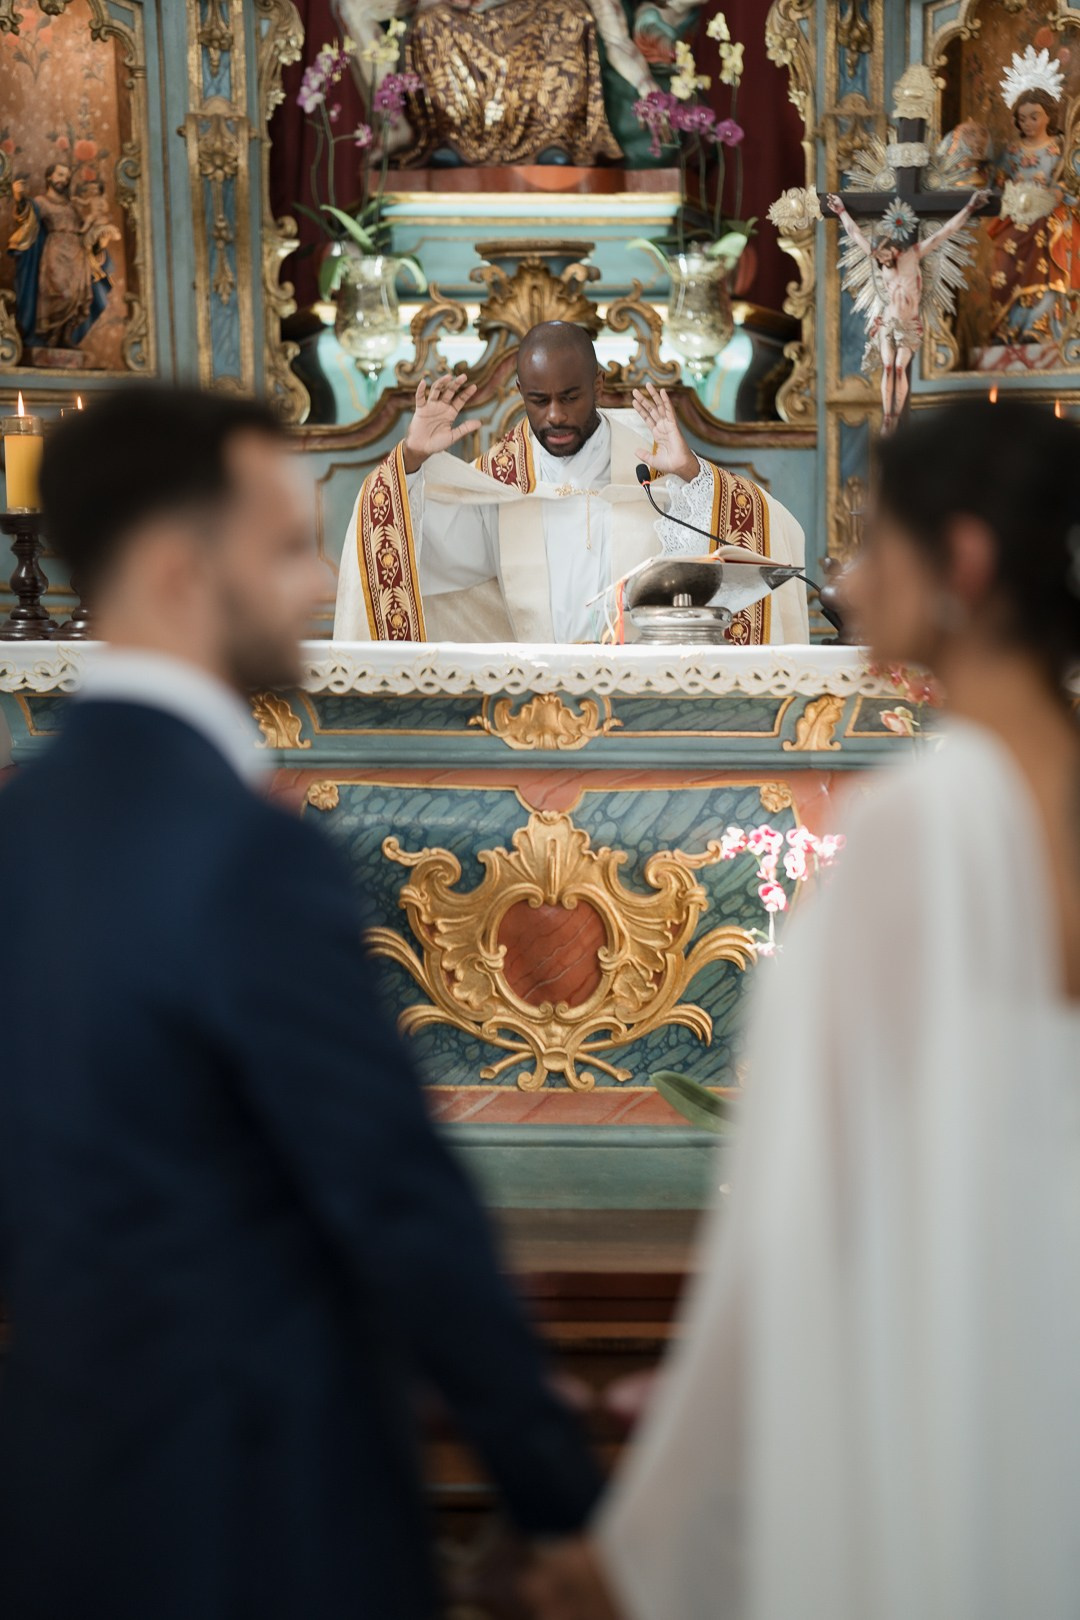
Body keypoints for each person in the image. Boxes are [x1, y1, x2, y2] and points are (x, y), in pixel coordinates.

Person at [0, 385, 602, 1620]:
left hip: (59, 1501)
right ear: (178, 567)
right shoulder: (246, 854)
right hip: (261, 1510)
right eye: (283, 546)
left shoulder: (19, 833)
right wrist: (556, 1502)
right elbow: (392, 1196)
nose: (323, 583)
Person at [529, 398, 1080, 1620]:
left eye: (876, 538)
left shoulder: (924, 832)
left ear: (967, 565)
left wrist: (648, 1541)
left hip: (950, 1399)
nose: (847, 569)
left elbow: (793, 1227)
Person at [334, 320, 808, 644]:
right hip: (532, 701)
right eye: (539, 400)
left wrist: (690, 472)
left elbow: (774, 537)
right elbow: (416, 557)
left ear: (598, 386)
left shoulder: (655, 466)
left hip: (644, 699)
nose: (555, 415)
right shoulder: (498, 483)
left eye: (570, 396)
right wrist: (412, 461)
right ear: (520, 393)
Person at [827, 189, 990, 433]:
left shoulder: (913, 254)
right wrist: (841, 211)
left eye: (883, 255)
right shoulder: (880, 260)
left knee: (900, 367)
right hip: (888, 322)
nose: (881, 261)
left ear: (892, 248)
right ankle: (886, 418)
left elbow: (945, 233)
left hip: (909, 324)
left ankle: (895, 414)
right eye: (878, 258)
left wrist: (970, 207)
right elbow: (854, 233)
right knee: (888, 366)